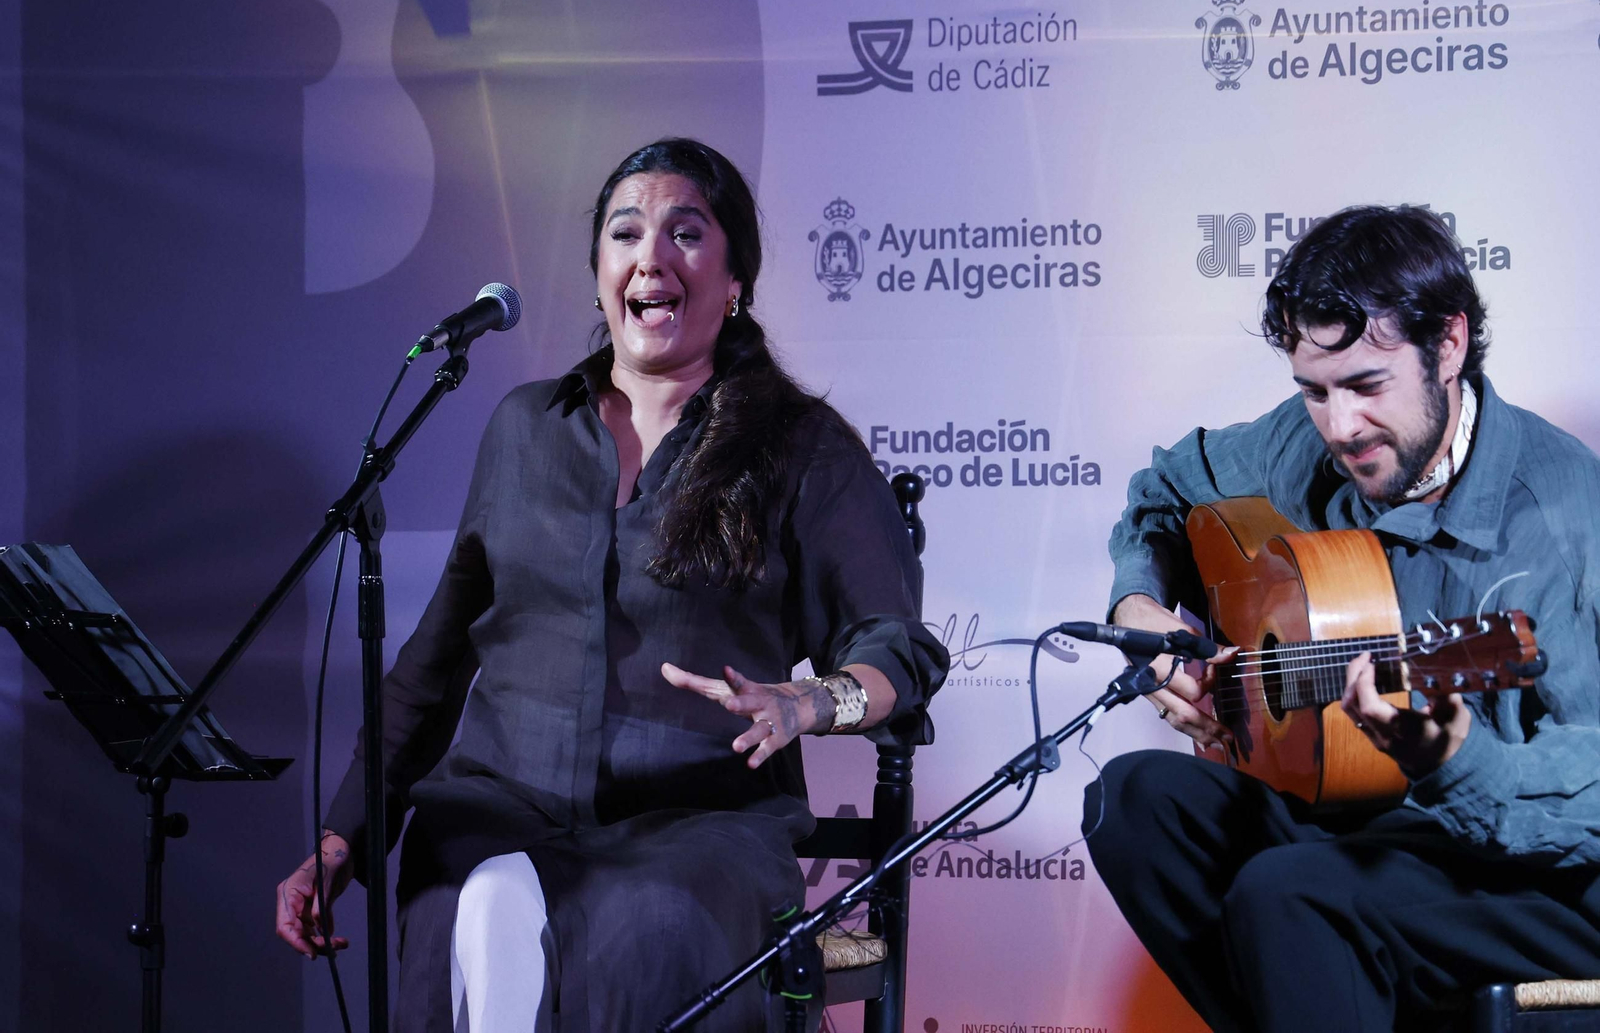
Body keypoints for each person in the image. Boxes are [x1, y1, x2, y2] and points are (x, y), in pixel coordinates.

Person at [272, 138, 947, 1032]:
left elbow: (896, 645)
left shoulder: (801, 447)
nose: (652, 257)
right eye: (626, 233)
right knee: (462, 898)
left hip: (697, 828)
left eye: (687, 234)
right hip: (497, 806)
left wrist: (812, 703)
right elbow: (429, 673)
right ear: (599, 276)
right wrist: (338, 840)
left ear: (735, 278)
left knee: (650, 928)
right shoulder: (524, 433)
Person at [1085, 205, 1600, 1032]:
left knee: (1290, 892)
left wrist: (1461, 764)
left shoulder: (1563, 521)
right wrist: (1141, 604)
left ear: (1449, 346)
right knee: (1133, 802)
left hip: (1545, 881)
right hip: (1386, 827)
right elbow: (1167, 490)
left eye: (1366, 386)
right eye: (1314, 392)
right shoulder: (1316, 438)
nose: (1340, 427)